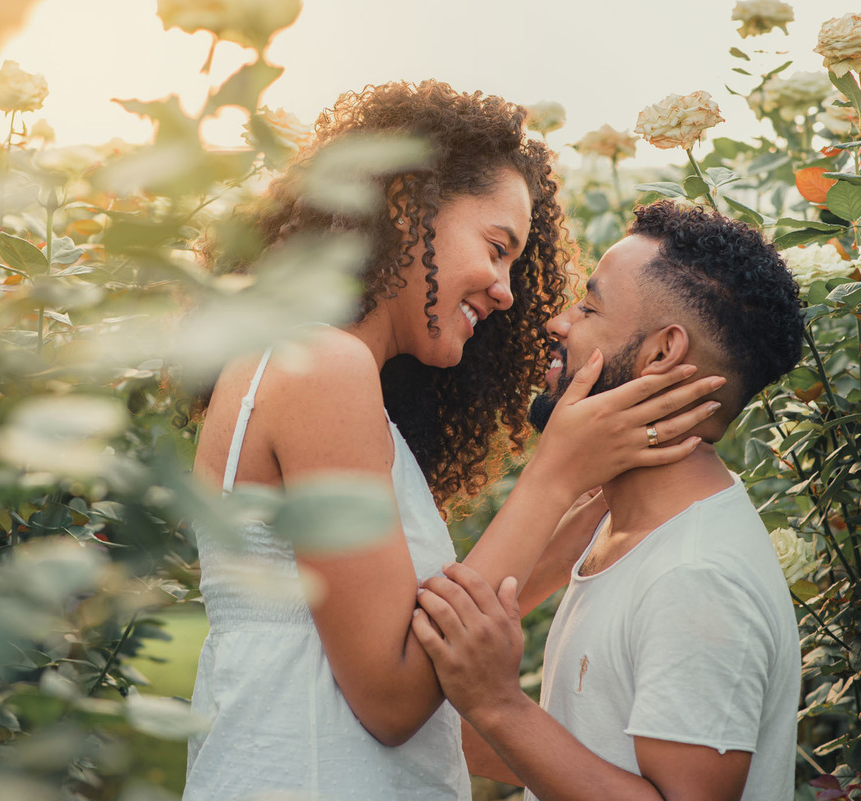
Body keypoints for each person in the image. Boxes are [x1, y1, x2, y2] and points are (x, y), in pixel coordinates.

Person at [185, 83, 724, 801]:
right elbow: (392, 696)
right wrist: (554, 474)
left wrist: (597, 489)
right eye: (497, 248)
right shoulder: (322, 365)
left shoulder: (322, 371)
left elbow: (437, 630)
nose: (505, 290)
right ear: (407, 205)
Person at [412, 200, 805, 801]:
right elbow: (590, 757)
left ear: (660, 354)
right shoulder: (619, 525)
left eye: (589, 306)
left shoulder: (697, 575)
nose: (558, 324)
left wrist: (498, 705)